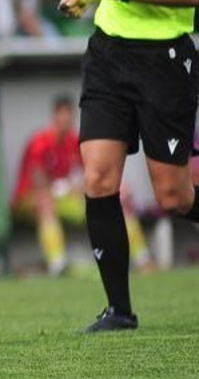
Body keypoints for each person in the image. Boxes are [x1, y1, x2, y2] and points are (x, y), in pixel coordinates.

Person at [58, 0, 199, 332]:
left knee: (173, 195)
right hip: (109, 55)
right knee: (97, 178)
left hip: (163, 60)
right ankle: (119, 310)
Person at [13, 96, 151, 278]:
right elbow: (37, 180)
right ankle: (58, 266)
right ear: (54, 116)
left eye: (69, 117)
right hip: (29, 198)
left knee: (111, 203)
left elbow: (90, 172)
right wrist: (65, 187)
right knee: (46, 202)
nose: (66, 121)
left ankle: (142, 261)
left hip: (62, 198)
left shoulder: (74, 141)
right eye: (62, 117)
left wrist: (112, 187)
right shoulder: (40, 141)